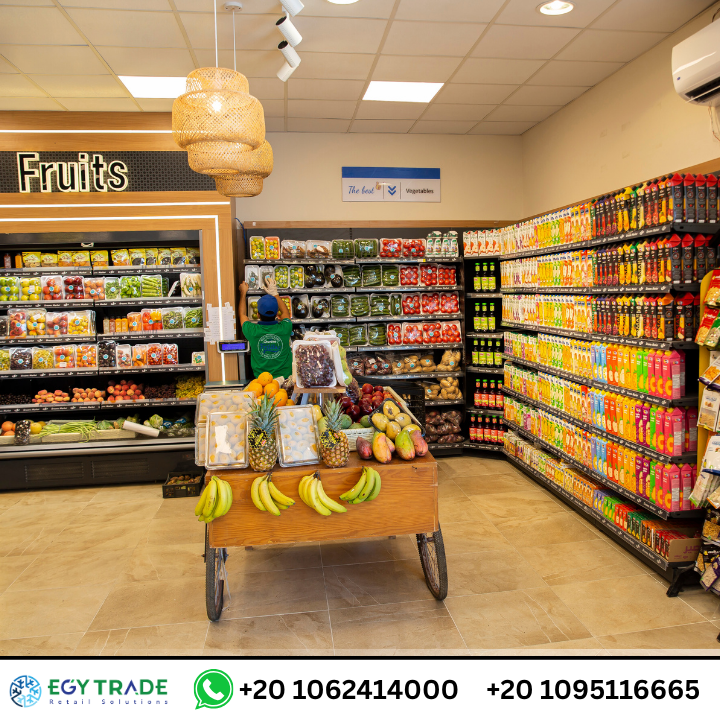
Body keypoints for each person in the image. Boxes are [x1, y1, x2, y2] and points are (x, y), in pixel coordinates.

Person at [238, 276, 293, 381]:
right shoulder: (285, 328)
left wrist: (243, 292)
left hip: (262, 380)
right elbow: (285, 313)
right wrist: (275, 293)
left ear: (258, 315)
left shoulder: (252, 331)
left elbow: (242, 314)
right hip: (285, 379)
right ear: (277, 315)